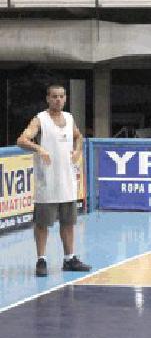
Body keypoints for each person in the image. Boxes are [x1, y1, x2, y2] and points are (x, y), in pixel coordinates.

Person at [17, 84, 91, 277]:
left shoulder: (69, 118)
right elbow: (22, 140)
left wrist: (78, 150)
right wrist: (39, 149)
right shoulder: (40, 119)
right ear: (48, 99)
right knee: (42, 224)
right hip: (47, 183)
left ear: (65, 98)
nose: (58, 99)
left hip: (67, 182)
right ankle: (41, 260)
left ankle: (69, 259)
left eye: (61, 96)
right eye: (54, 96)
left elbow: (79, 136)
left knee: (68, 223)